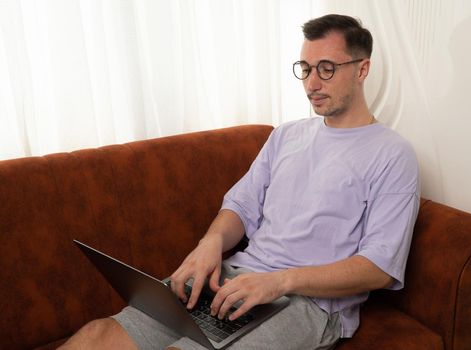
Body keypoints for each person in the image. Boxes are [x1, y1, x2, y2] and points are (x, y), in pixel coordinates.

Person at [60, 14, 420, 350]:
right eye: (306, 69)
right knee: (98, 335)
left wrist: (279, 281)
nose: (311, 83)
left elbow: (378, 268)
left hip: (308, 303)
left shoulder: (392, 154)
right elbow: (241, 206)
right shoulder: (286, 136)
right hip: (236, 278)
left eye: (326, 69)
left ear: (362, 69)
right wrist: (210, 243)